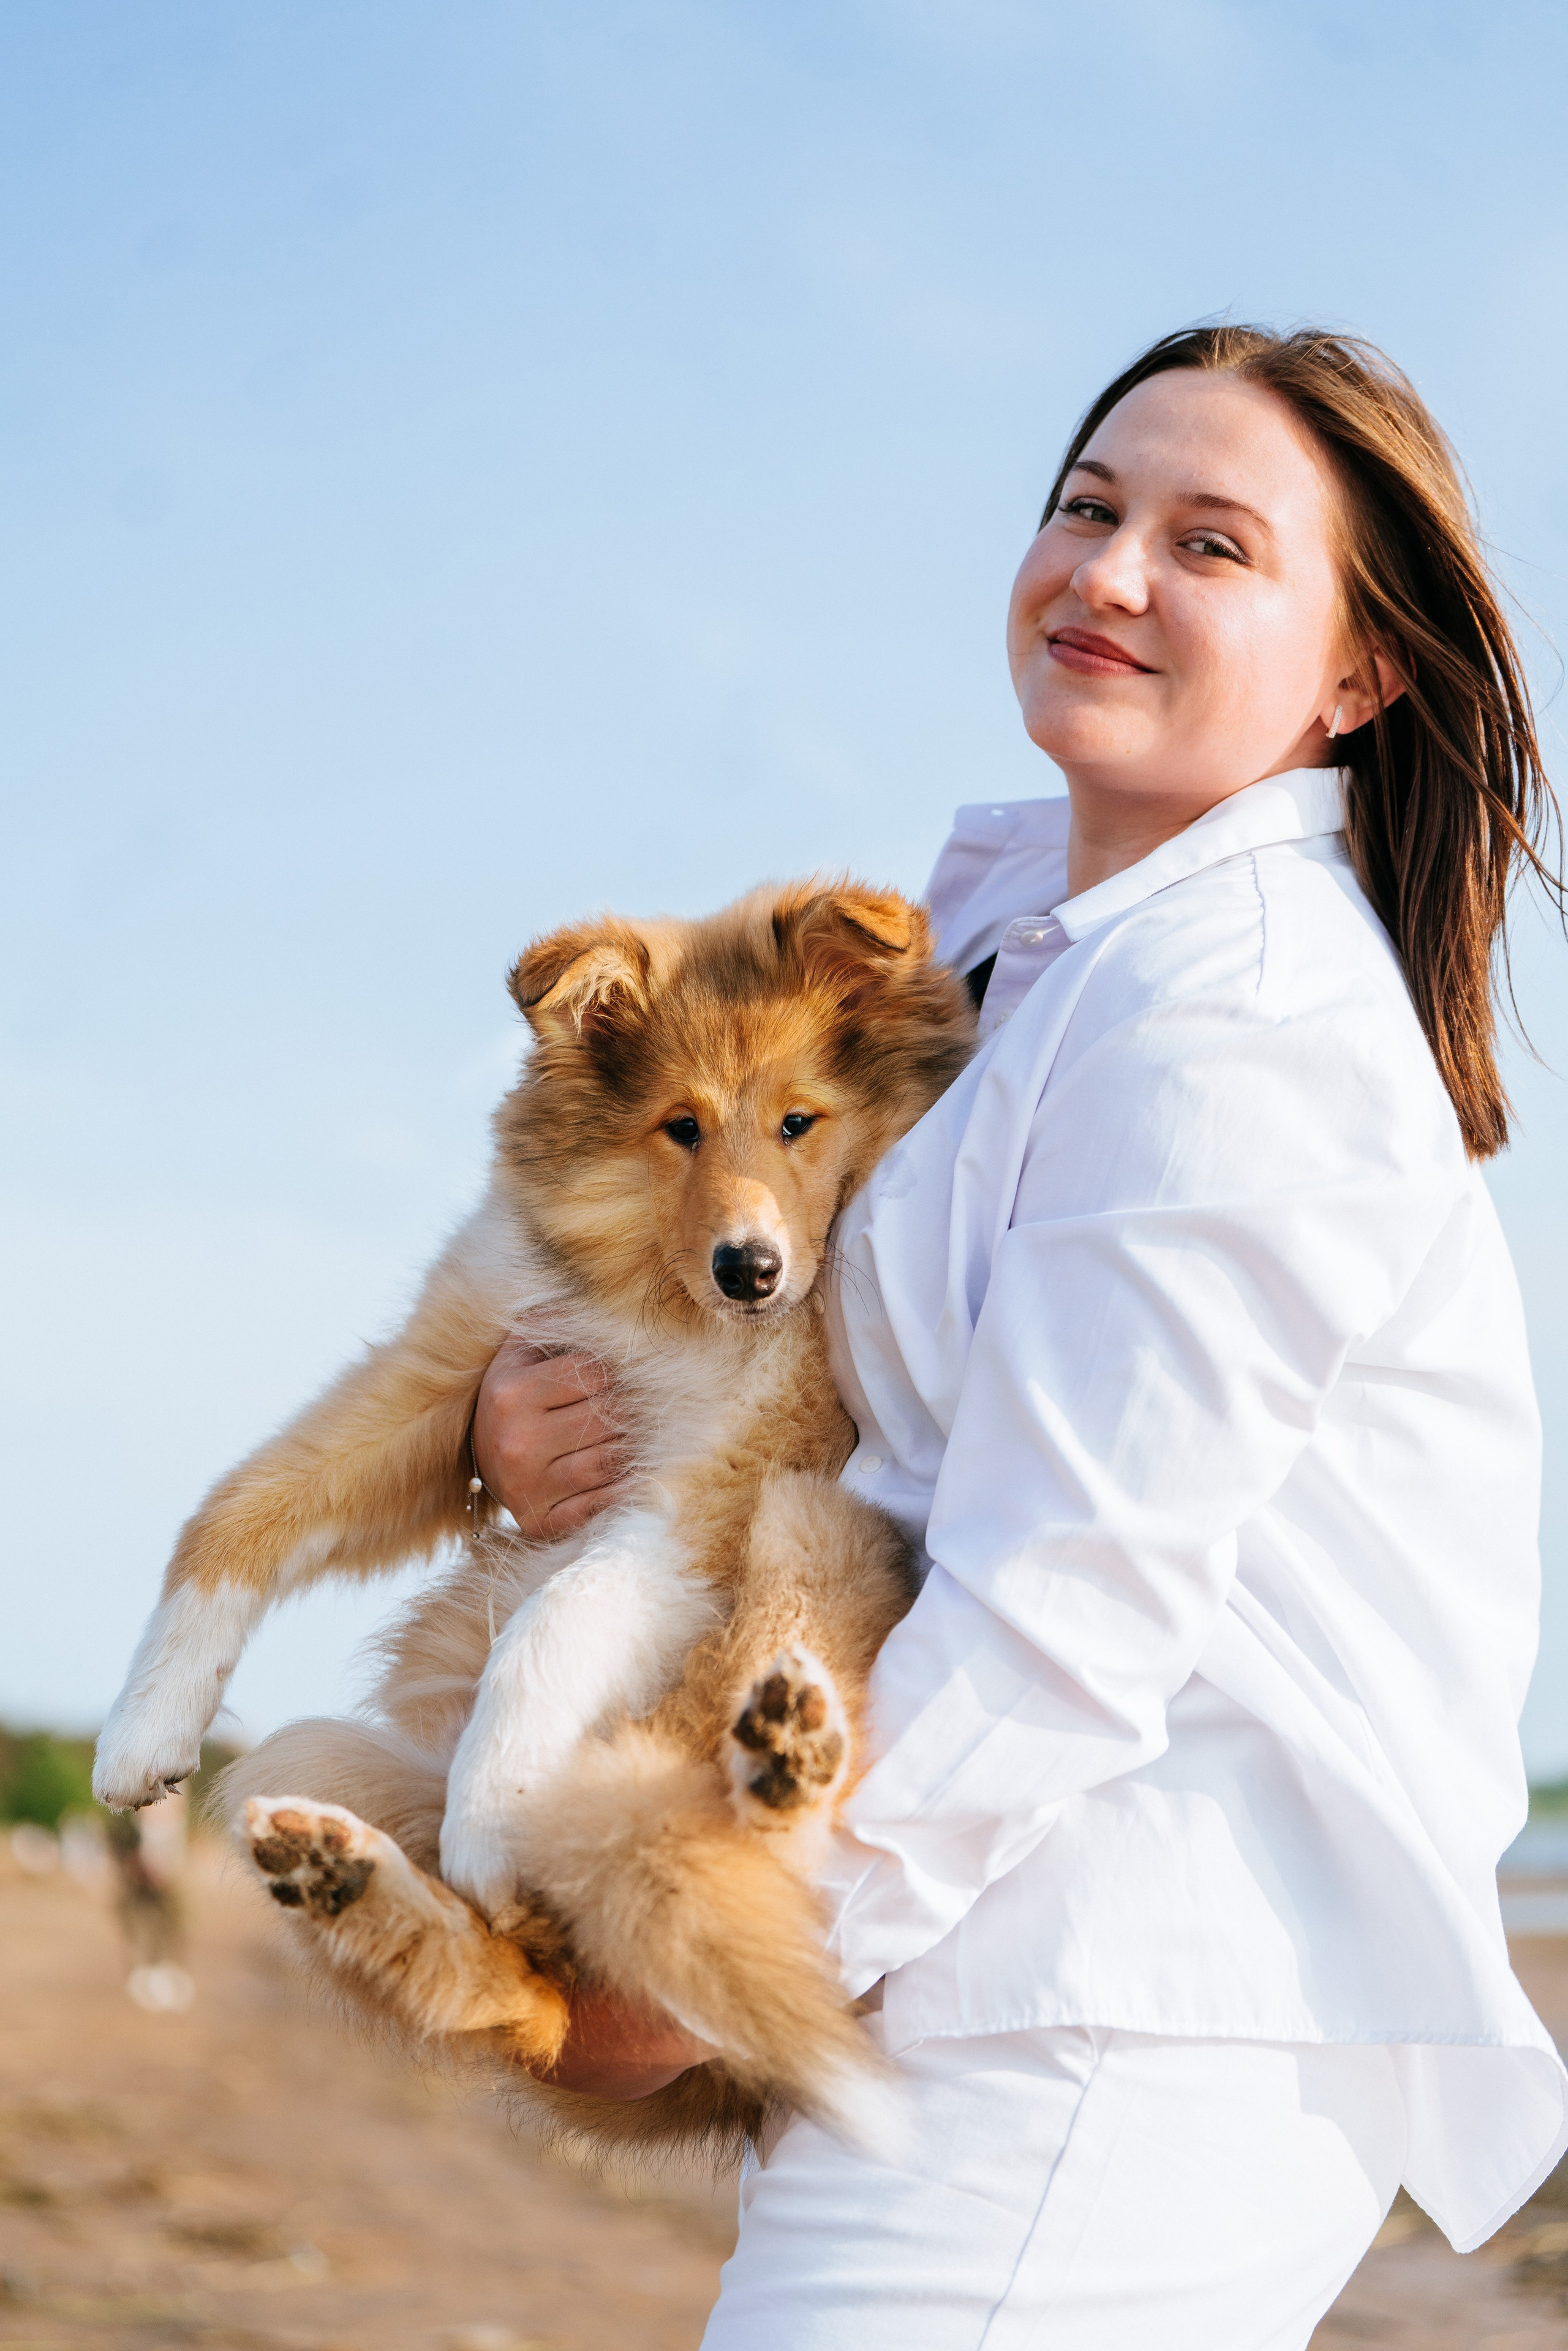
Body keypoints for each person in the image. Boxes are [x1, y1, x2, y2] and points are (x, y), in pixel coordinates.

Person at [472, 325, 1567, 2347]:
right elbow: (778, 1350)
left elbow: (1068, 1604)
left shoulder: (1236, 1019)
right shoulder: (994, 957)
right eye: (1089, 506)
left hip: (1125, 1997)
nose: (1113, 571)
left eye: (1213, 545)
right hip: (993, 1966)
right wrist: (505, 1415)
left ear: (1360, 672)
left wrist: (717, 1962)